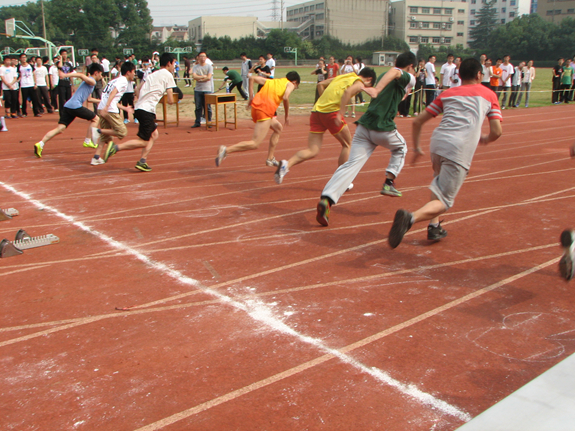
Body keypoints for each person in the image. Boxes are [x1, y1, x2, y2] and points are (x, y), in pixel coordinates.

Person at [387, 58, 502, 249]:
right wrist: (486, 139)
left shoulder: (448, 93)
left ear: (459, 75)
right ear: (480, 75)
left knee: (440, 183)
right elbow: (497, 131)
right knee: (444, 200)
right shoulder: (488, 94)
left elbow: (417, 122)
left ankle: (434, 226)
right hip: (459, 147)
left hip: (438, 143)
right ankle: (411, 218)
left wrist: (417, 148)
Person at [315, 52, 417, 227]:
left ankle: (327, 199)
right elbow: (395, 72)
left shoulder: (385, 76)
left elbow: (392, 91)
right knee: (401, 148)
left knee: (351, 165)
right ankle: (389, 182)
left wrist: (398, 94)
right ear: (410, 67)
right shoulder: (405, 75)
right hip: (381, 127)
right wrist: (377, 90)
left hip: (364, 128)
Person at [275, 67, 377, 185]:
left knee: (313, 150)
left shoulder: (343, 76)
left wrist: (325, 101)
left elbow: (321, 84)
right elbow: (347, 92)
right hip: (332, 113)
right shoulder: (359, 82)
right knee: (347, 144)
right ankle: (342, 180)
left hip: (317, 112)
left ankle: (286, 165)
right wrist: (341, 113)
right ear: (369, 79)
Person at [103, 53, 177, 172]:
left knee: (154, 134)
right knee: (143, 141)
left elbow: (137, 88)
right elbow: (170, 100)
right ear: (169, 63)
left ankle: (142, 161)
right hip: (146, 110)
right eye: (174, 63)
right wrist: (174, 100)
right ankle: (115, 147)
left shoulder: (152, 74)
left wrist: (142, 100)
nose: (175, 66)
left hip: (140, 108)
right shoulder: (168, 75)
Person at [215, 71, 300, 168]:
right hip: (265, 110)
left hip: (256, 108)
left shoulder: (274, 81)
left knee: (278, 128)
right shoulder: (290, 84)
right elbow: (285, 97)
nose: (294, 88)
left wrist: (251, 97)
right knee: (255, 143)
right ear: (295, 82)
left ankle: (270, 159)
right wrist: (286, 115)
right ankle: (225, 150)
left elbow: (252, 78)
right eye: (296, 87)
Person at [33, 63, 104, 158]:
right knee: (96, 119)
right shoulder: (92, 81)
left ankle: (40, 144)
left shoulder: (89, 83)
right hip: (75, 106)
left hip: (68, 106)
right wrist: (65, 75)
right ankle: (87, 141)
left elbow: (89, 99)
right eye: (101, 74)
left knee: (60, 128)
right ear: (96, 73)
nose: (101, 76)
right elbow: (81, 75)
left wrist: (102, 101)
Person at [90, 61, 136, 165]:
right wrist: (106, 107)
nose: (134, 74)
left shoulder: (115, 80)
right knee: (122, 132)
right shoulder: (123, 81)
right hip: (109, 109)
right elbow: (113, 92)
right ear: (128, 72)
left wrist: (125, 108)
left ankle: (96, 157)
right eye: (134, 72)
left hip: (102, 107)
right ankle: (98, 131)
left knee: (105, 136)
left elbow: (112, 97)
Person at [191, 51, 213, 128]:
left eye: (204, 56)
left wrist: (200, 78)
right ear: (198, 57)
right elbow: (194, 76)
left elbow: (209, 77)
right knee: (198, 107)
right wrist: (203, 77)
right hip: (198, 89)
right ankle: (197, 121)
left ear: (206, 57)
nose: (202, 58)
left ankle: (209, 121)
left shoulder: (209, 67)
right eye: (201, 56)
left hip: (207, 89)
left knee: (208, 106)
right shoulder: (195, 67)